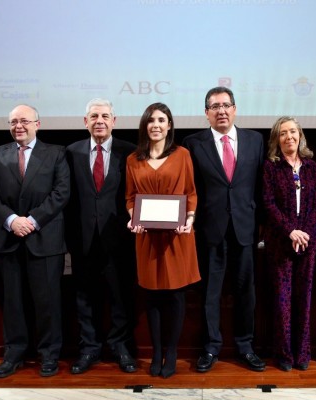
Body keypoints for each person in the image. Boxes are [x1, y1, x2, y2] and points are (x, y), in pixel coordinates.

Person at [0, 104, 70, 378]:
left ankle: (49, 355)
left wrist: (31, 220)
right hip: (9, 239)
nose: (18, 126)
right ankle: (14, 354)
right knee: (13, 302)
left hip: (44, 239)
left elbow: (61, 192)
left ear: (37, 124)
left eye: (24, 121)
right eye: (13, 122)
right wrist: (11, 220)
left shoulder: (56, 153)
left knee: (48, 303)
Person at [182, 87, 266, 373]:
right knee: (210, 293)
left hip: (245, 229)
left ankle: (245, 346)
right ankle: (210, 347)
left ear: (235, 108)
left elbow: (260, 187)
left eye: (226, 105)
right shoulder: (192, 144)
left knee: (246, 292)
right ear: (206, 113)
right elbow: (189, 188)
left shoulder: (255, 141)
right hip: (210, 230)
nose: (221, 111)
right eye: (214, 106)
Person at [126, 102, 200, 378]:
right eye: (151, 120)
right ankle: (156, 351)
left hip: (177, 238)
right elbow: (130, 197)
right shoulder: (133, 159)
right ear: (145, 125)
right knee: (152, 296)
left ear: (169, 125)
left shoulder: (182, 155)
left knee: (175, 296)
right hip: (146, 239)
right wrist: (133, 217)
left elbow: (191, 193)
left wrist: (189, 220)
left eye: (161, 120)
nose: (156, 125)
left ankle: (171, 352)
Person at [65, 98, 138, 374]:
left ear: (114, 121)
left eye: (105, 116)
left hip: (118, 239)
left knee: (120, 297)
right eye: (94, 116)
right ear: (85, 121)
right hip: (82, 239)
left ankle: (120, 347)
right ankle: (89, 349)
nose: (99, 120)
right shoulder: (71, 152)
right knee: (84, 298)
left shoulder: (129, 153)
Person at [262, 116, 316, 372]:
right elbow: (268, 203)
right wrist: (291, 231)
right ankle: (284, 354)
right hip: (280, 244)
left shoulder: (312, 167)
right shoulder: (270, 167)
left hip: (307, 244)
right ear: (277, 138)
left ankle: (302, 352)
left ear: (300, 136)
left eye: (293, 132)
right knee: (283, 301)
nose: (289, 137)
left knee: (304, 300)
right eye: (283, 133)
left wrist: (305, 233)